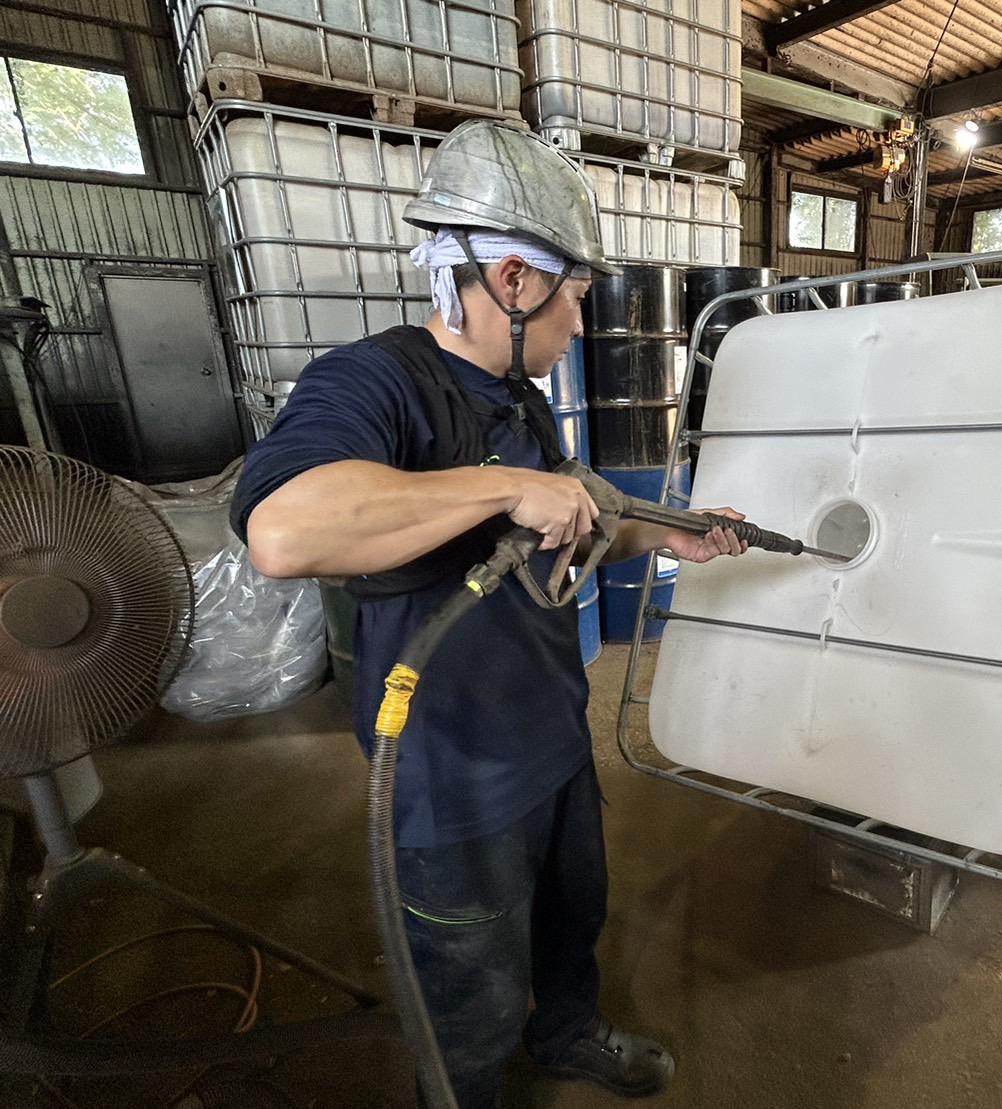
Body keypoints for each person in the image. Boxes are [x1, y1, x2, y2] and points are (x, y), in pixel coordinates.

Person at [229, 120, 745, 1107]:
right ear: (512, 280)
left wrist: (662, 533)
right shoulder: (373, 379)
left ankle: (566, 1032)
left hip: (550, 734)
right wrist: (505, 485)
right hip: (449, 771)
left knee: (570, 918)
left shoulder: (520, 397)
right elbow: (284, 531)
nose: (581, 326)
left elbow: (567, 526)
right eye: (576, 297)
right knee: (470, 989)